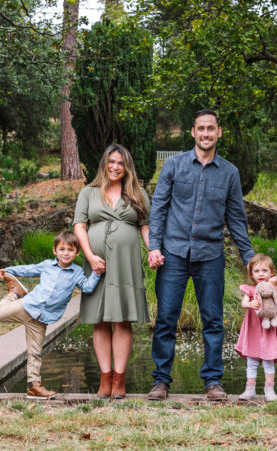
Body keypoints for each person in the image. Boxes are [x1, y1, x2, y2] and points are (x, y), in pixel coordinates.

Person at [146, 109, 255, 401]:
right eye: (201, 128)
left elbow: (236, 219)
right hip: (173, 255)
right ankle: (160, 381)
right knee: (166, 319)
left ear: (219, 132)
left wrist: (251, 260)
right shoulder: (173, 166)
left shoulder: (230, 172)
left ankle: (213, 382)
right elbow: (158, 210)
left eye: (211, 128)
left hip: (210, 256)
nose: (206, 133)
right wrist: (154, 247)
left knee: (213, 320)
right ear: (192, 132)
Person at [73, 144, 151, 400]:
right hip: (97, 264)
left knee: (122, 319)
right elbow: (80, 227)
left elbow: (146, 228)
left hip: (126, 264)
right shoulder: (89, 192)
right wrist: (90, 257)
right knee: (100, 319)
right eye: (111, 162)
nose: (115, 167)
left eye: (121, 163)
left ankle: (119, 378)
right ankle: (104, 378)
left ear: (127, 167)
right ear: (104, 164)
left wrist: (154, 250)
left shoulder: (137, 194)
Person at [0, 231, 101, 400]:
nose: (66, 253)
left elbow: (87, 288)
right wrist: (9, 271)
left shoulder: (77, 272)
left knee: (35, 352)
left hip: (43, 318)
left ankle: (33, 386)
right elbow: (29, 270)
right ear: (54, 251)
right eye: (62, 249)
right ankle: (15, 292)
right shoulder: (47, 266)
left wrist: (97, 273)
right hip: (28, 306)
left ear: (77, 253)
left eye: (70, 250)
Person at [235, 253, 277, 402]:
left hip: (269, 329)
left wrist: (272, 286)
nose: (260, 274)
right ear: (251, 274)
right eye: (257, 271)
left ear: (272, 273)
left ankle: (269, 389)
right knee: (251, 360)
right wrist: (250, 304)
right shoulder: (251, 290)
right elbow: (244, 303)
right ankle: (250, 389)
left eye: (264, 271)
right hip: (253, 328)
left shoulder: (274, 289)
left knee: (268, 359)